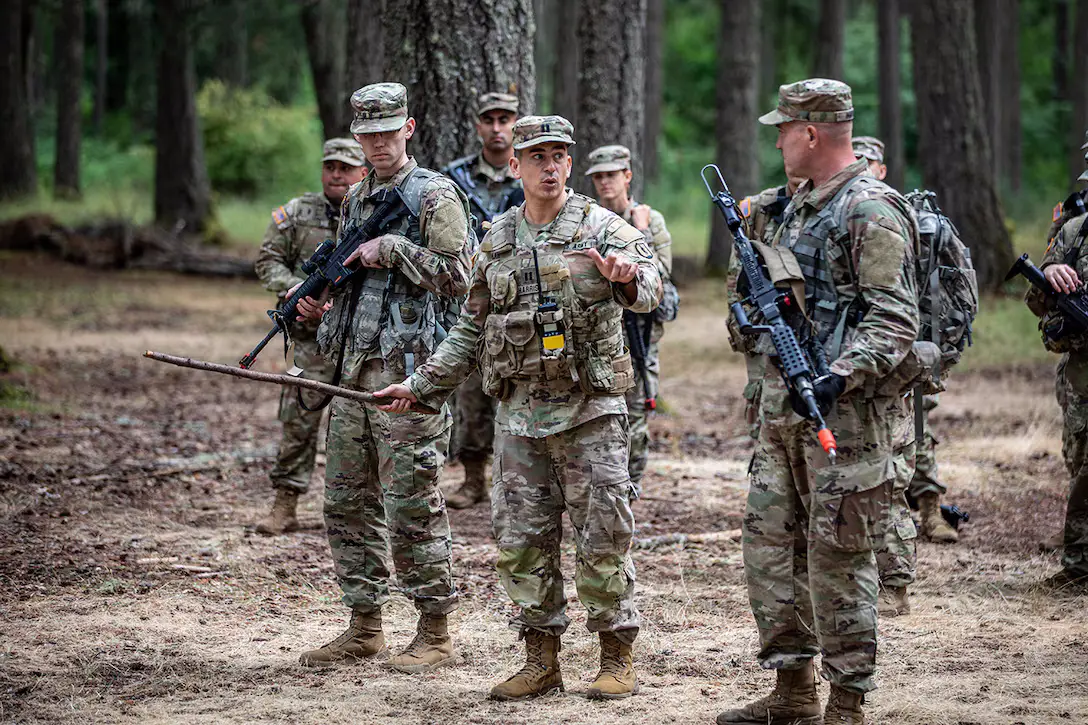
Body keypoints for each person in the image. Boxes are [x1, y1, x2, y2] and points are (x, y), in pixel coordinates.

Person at [375, 115, 662, 701]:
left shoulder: (602, 228)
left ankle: (615, 656)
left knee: (603, 536)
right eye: (537, 157)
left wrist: (627, 281)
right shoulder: (497, 239)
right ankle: (541, 661)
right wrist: (421, 386)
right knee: (523, 542)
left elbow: (650, 288)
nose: (550, 166)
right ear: (517, 165)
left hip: (591, 415)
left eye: (559, 155)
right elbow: (469, 329)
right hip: (521, 419)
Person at [717, 79, 920, 725]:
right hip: (780, 412)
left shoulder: (870, 209)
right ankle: (793, 690)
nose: (775, 140)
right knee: (770, 552)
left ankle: (847, 703)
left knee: (839, 558)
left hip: (847, 420)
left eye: (783, 129)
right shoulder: (787, 207)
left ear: (811, 132)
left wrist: (839, 373)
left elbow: (894, 319)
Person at [291, 82, 474, 672]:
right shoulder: (356, 197)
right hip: (352, 375)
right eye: (366, 134)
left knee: (412, 503)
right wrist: (317, 309)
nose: (376, 143)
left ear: (409, 128)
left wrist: (394, 248)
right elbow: (349, 286)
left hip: (410, 379)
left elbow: (460, 278)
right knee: (345, 503)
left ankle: (434, 631)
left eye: (386, 131)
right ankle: (364, 623)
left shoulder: (435, 197)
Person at [253, 138, 367, 535]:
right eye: (330, 166)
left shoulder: (371, 214)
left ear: (363, 172)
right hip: (310, 340)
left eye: (346, 167)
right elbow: (267, 259)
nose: (336, 174)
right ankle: (285, 503)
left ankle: (357, 514)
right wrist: (295, 288)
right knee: (299, 422)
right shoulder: (297, 213)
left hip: (360, 341)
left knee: (360, 429)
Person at [440, 91, 524, 509]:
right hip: (470, 300)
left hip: (520, 301)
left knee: (516, 388)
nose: (497, 128)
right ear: (478, 125)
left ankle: (514, 482)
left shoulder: (530, 173)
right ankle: (474, 479)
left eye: (504, 119)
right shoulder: (453, 178)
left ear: (515, 123)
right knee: (470, 394)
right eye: (489, 119)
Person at [585, 143, 673, 496]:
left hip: (637, 334)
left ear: (627, 176)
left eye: (612, 175)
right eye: (599, 177)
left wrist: (643, 232)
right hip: (598, 334)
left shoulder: (650, 220)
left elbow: (661, 275)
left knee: (635, 419)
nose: (606, 183)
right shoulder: (587, 220)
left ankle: (630, 490)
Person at [1025, 169, 1088, 590]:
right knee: (1084, 467)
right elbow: (1037, 303)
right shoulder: (1075, 232)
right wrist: (1049, 278)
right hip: (1085, 373)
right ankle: (1081, 566)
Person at [727, 175, 805, 441]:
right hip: (764, 328)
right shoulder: (759, 208)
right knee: (764, 416)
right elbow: (736, 283)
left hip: (808, 329)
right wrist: (744, 333)